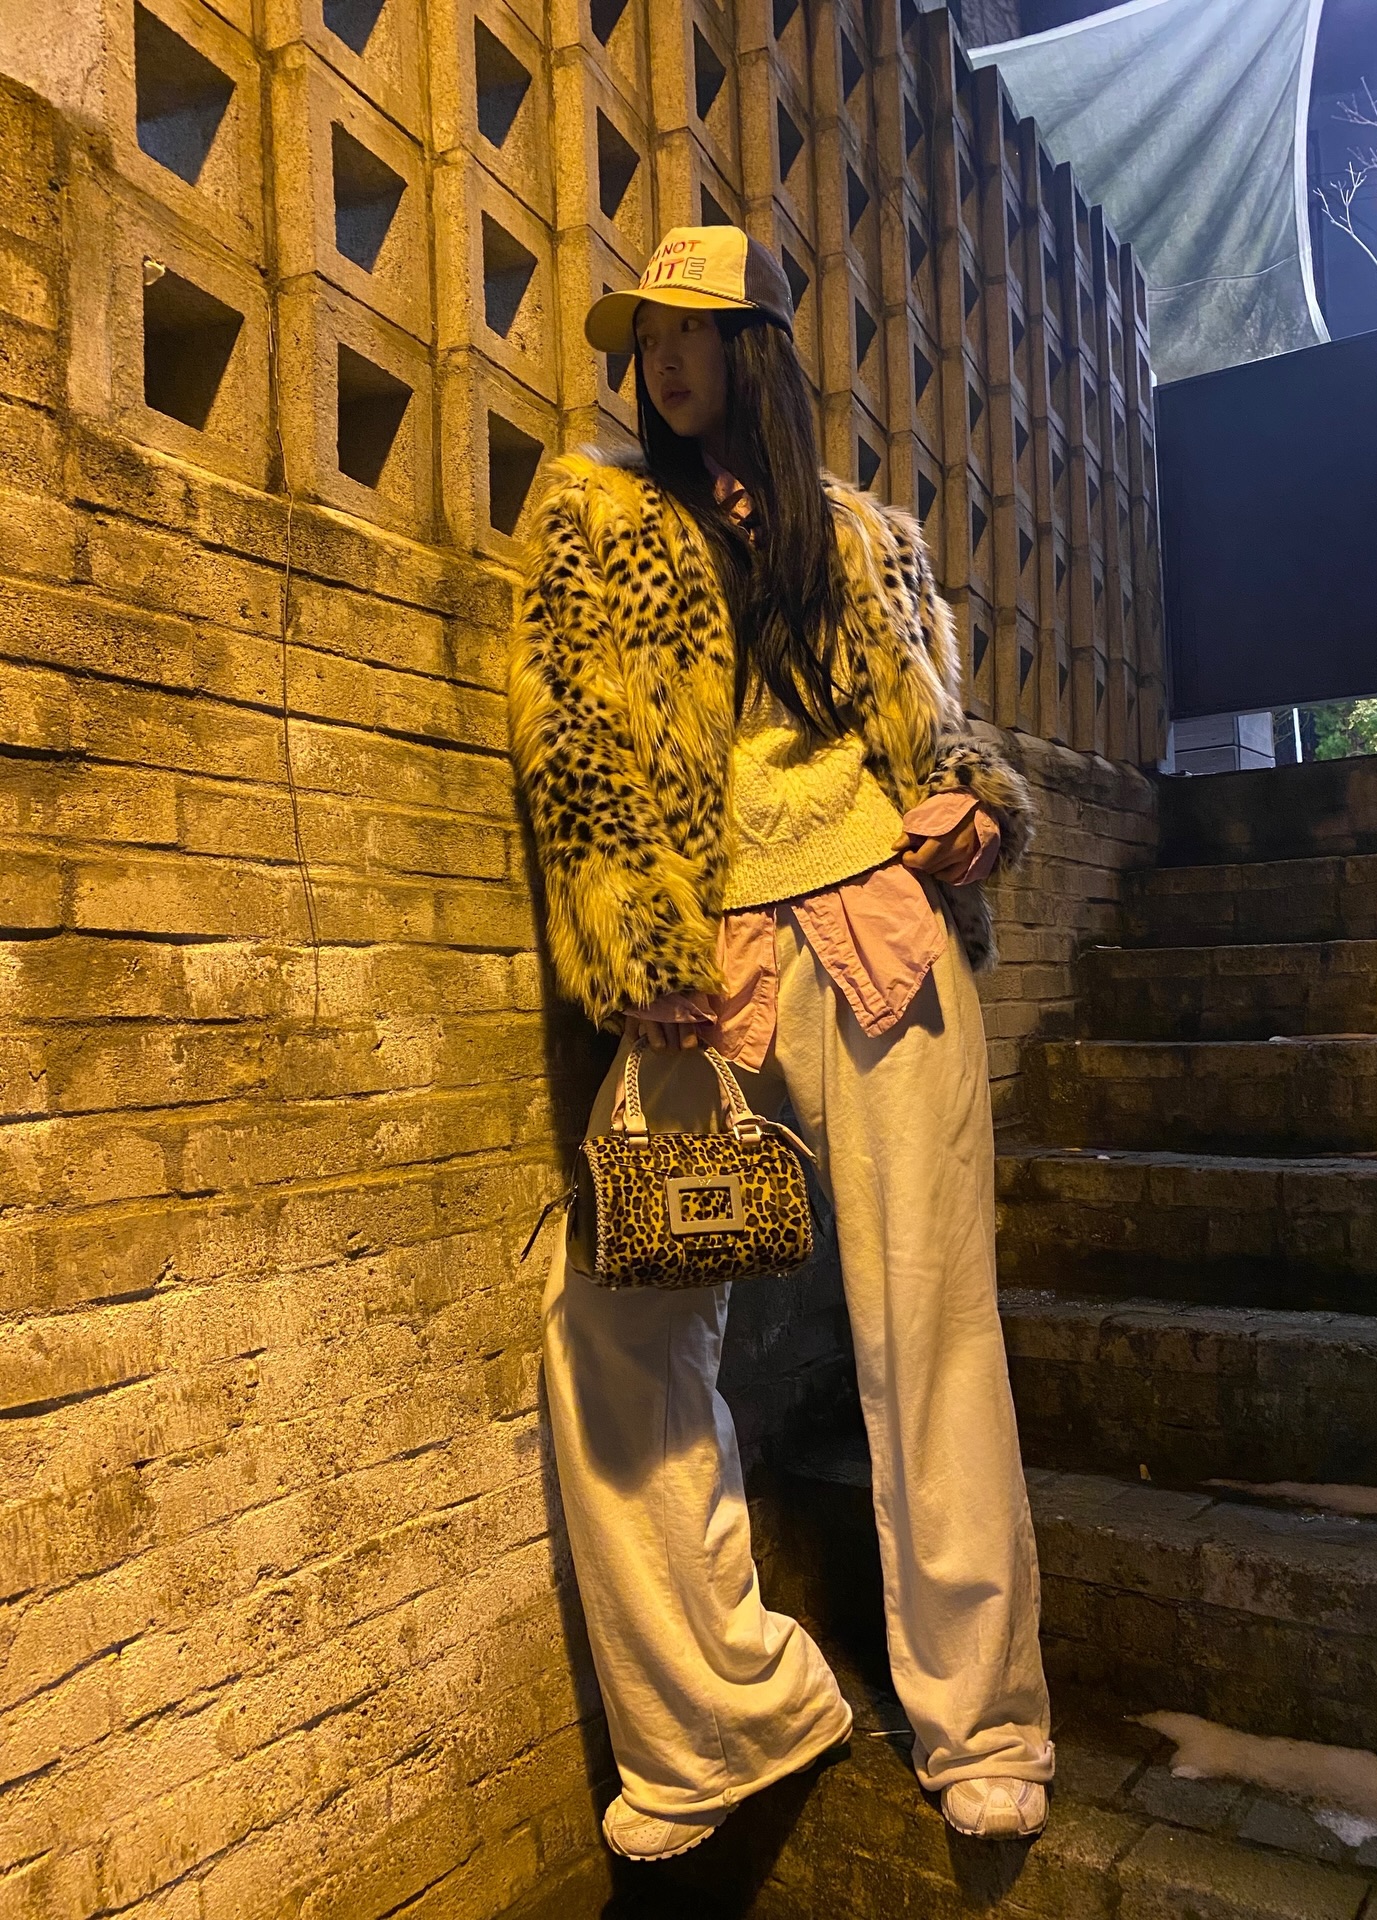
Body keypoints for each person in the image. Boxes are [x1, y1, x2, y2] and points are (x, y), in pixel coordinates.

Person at [509, 224, 1053, 1863]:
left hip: (879, 930)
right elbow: (580, 759)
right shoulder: (601, 518)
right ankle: (726, 1713)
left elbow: (938, 738)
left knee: (930, 1330)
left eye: (693, 330)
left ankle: (984, 1720)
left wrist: (971, 812)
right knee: (611, 1330)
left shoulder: (865, 539)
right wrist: (637, 949)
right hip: (703, 966)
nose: (664, 361)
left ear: (758, 346)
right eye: (645, 338)